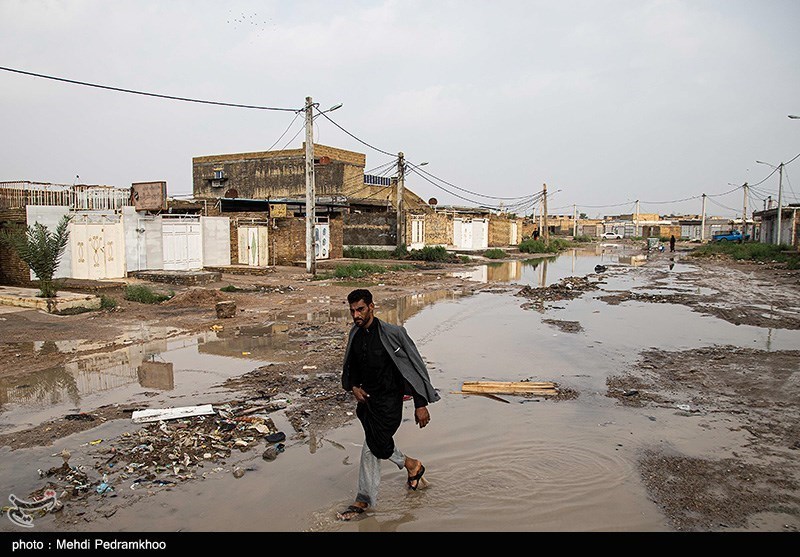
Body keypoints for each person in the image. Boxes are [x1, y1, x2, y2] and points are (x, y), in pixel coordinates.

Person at [337, 288, 440, 521]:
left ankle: (363, 500)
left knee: (372, 447)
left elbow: (413, 368)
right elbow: (350, 366)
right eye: (352, 310)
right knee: (376, 446)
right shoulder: (355, 334)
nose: (356, 315)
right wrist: (353, 387)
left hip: (390, 401)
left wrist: (420, 404)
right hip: (368, 402)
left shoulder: (394, 333)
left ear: (372, 307)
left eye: (360, 309)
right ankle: (412, 465)